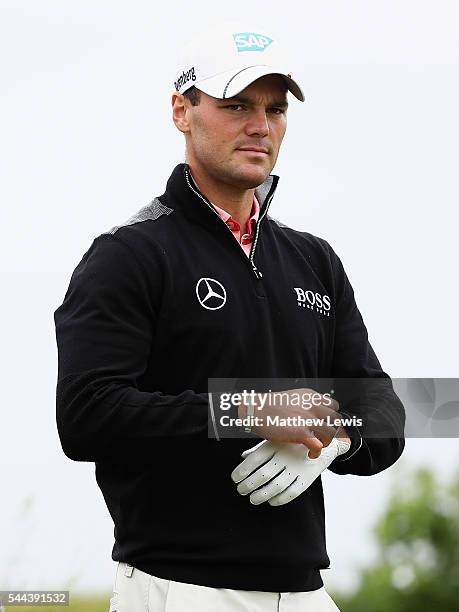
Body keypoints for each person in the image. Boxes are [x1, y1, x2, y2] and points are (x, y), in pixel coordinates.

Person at [53, 24, 405, 612]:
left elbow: (387, 408)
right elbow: (86, 416)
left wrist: (334, 439)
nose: (260, 126)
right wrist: (250, 409)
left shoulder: (313, 259)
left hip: (304, 590)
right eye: (236, 105)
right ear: (181, 111)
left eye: (274, 108)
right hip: (177, 585)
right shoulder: (129, 253)